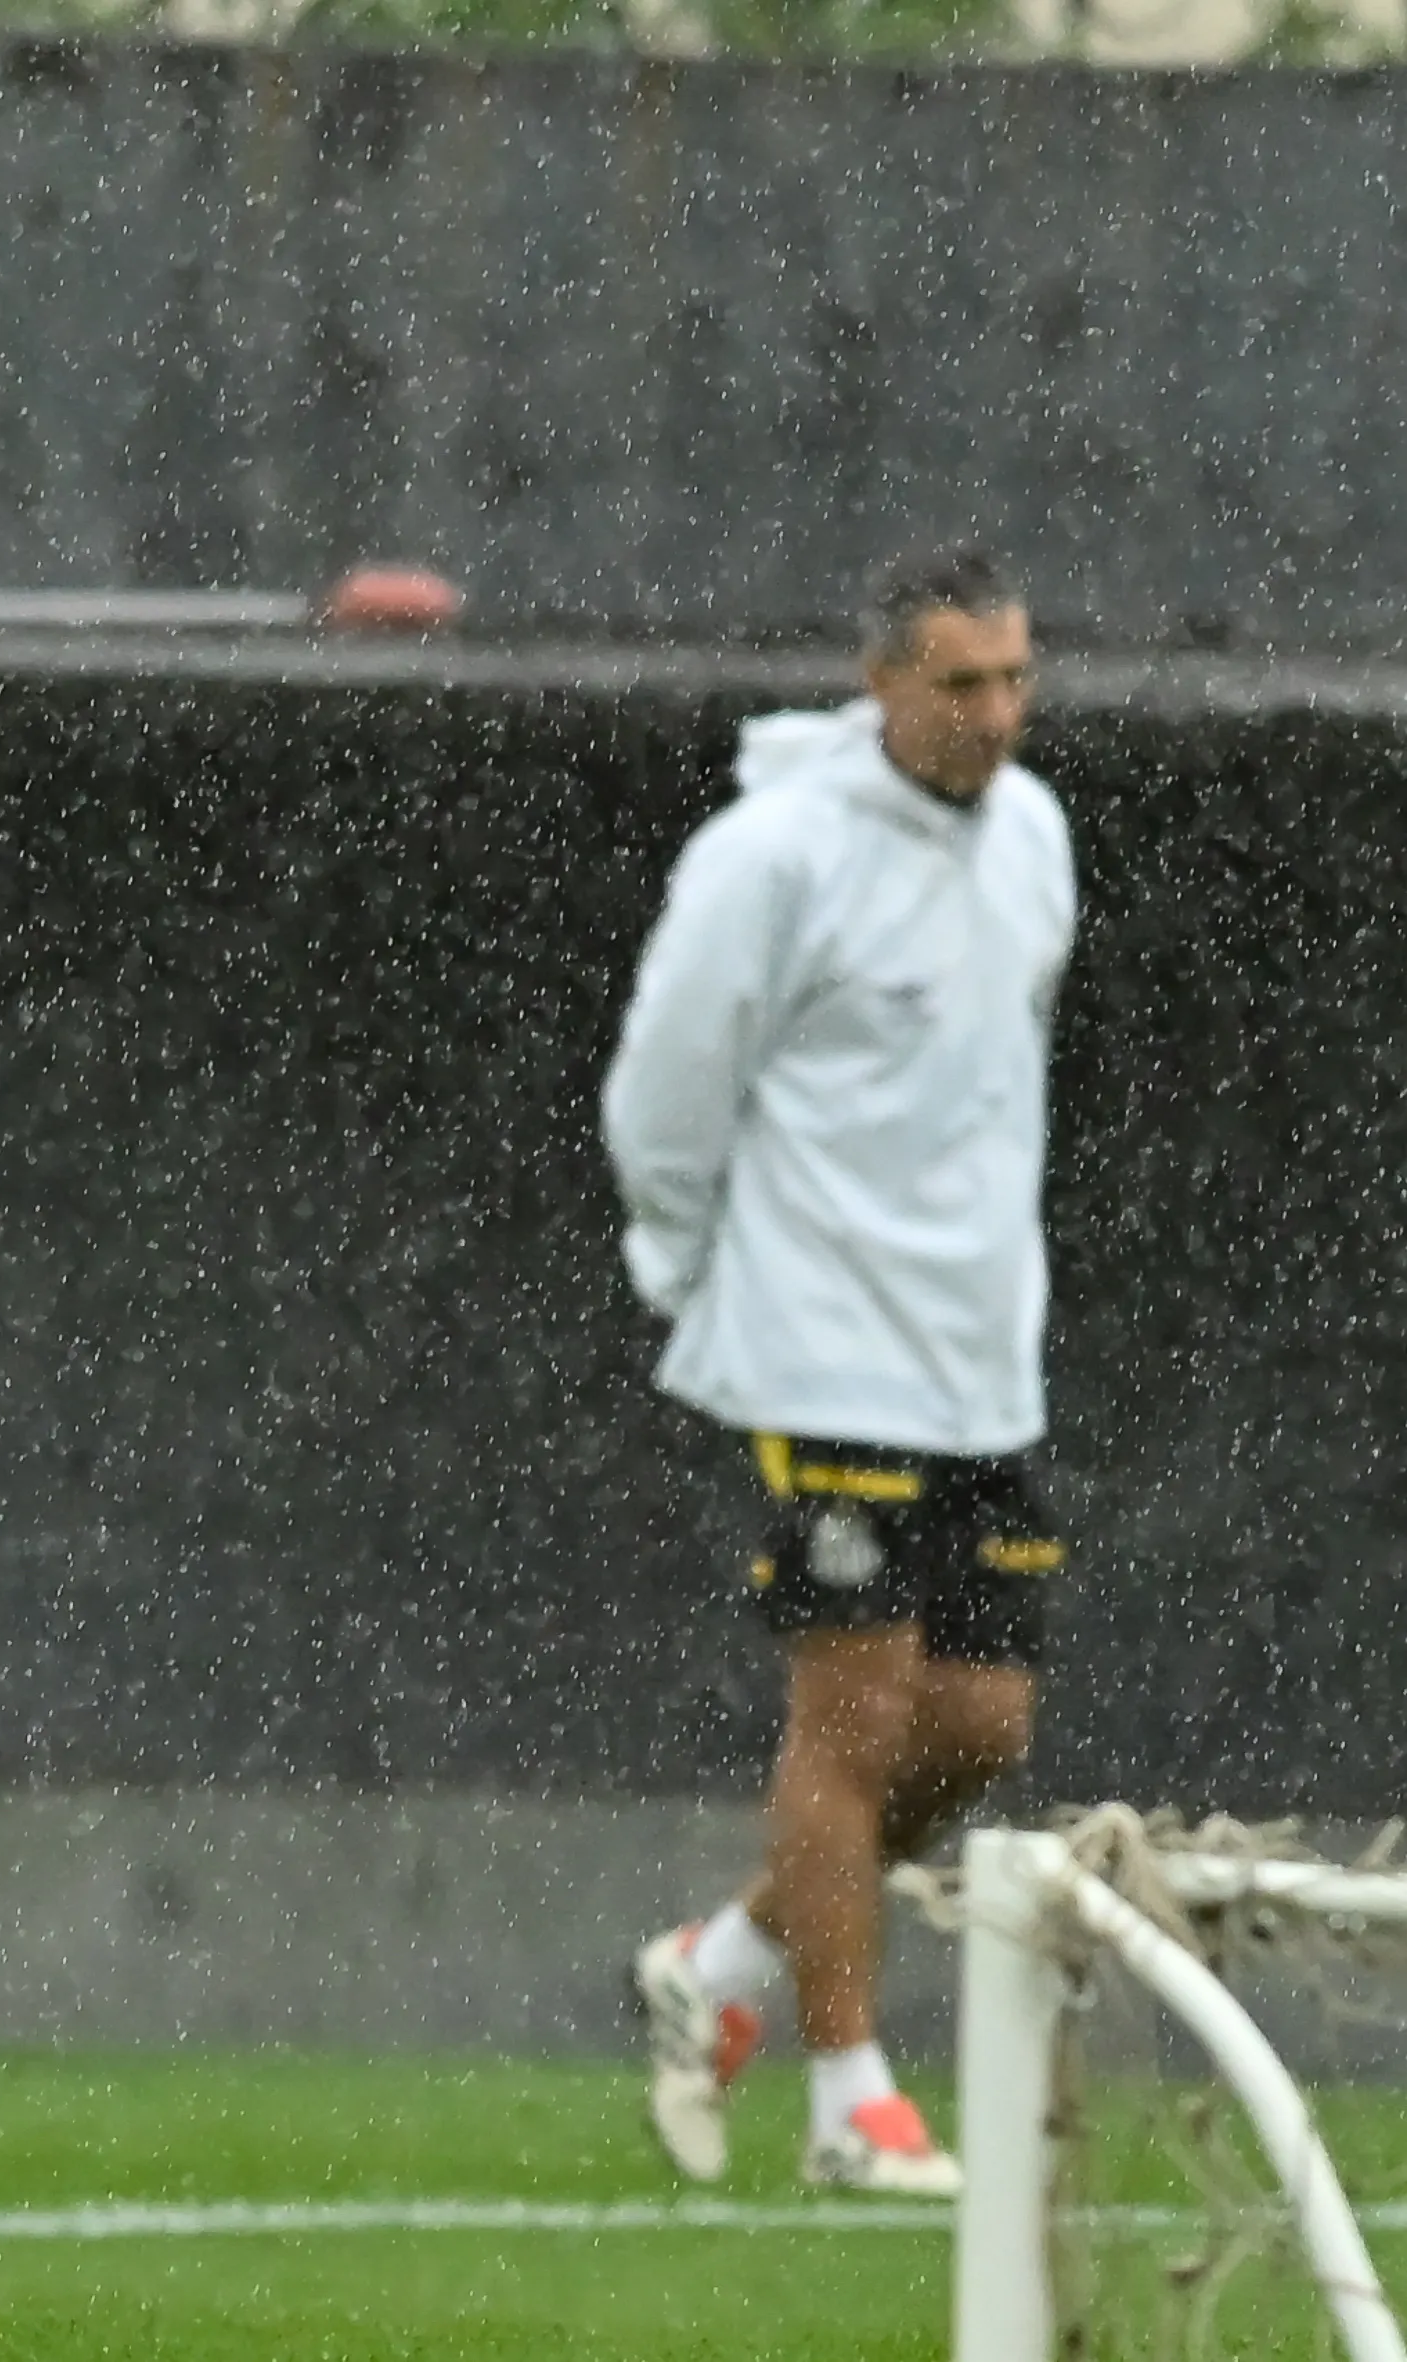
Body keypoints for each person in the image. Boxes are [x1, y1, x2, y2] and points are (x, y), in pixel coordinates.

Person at [608, 547, 1075, 2196]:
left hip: (976, 1353)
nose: (995, 716)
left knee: (982, 1724)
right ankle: (847, 2095)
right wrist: (687, 1270)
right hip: (821, 1343)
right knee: (857, 1716)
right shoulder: (773, 853)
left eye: (1014, 679)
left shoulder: (1032, 834)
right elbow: (665, 1085)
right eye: (959, 684)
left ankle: (722, 1964)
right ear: (879, 683)